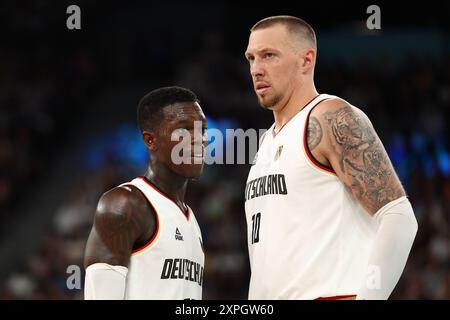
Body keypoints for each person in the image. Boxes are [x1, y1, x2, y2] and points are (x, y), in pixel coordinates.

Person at [244, 16, 418, 300]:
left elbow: (399, 217)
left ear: (306, 60)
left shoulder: (330, 117)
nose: (256, 69)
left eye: (269, 55)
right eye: (251, 58)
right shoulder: (266, 141)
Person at [83, 86, 207, 299]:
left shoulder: (191, 219)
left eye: (202, 129)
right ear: (150, 140)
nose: (200, 139)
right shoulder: (124, 204)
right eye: (184, 130)